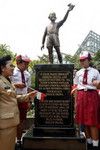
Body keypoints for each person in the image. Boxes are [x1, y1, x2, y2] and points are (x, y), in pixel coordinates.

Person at [0, 55, 37, 150]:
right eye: (10, 66)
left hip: (11, 121)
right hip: (4, 124)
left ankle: (19, 140)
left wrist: (28, 96)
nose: (12, 68)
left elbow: (13, 96)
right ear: (2, 68)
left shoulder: (7, 81)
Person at [74, 51, 100, 150]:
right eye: (80, 60)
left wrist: (96, 83)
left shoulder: (95, 72)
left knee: (93, 121)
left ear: (89, 60)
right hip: (81, 95)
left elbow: (99, 85)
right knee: (83, 121)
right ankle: (89, 143)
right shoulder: (78, 73)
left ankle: (96, 145)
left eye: (84, 60)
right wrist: (76, 102)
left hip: (92, 95)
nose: (82, 62)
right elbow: (76, 87)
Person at [11, 55, 32, 147]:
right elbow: (5, 83)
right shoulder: (12, 72)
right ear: (19, 62)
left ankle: (19, 140)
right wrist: (15, 85)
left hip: (24, 99)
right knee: (13, 120)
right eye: (25, 63)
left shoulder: (27, 74)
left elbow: (28, 88)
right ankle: (12, 140)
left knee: (22, 121)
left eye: (28, 63)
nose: (27, 65)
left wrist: (29, 101)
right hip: (13, 99)